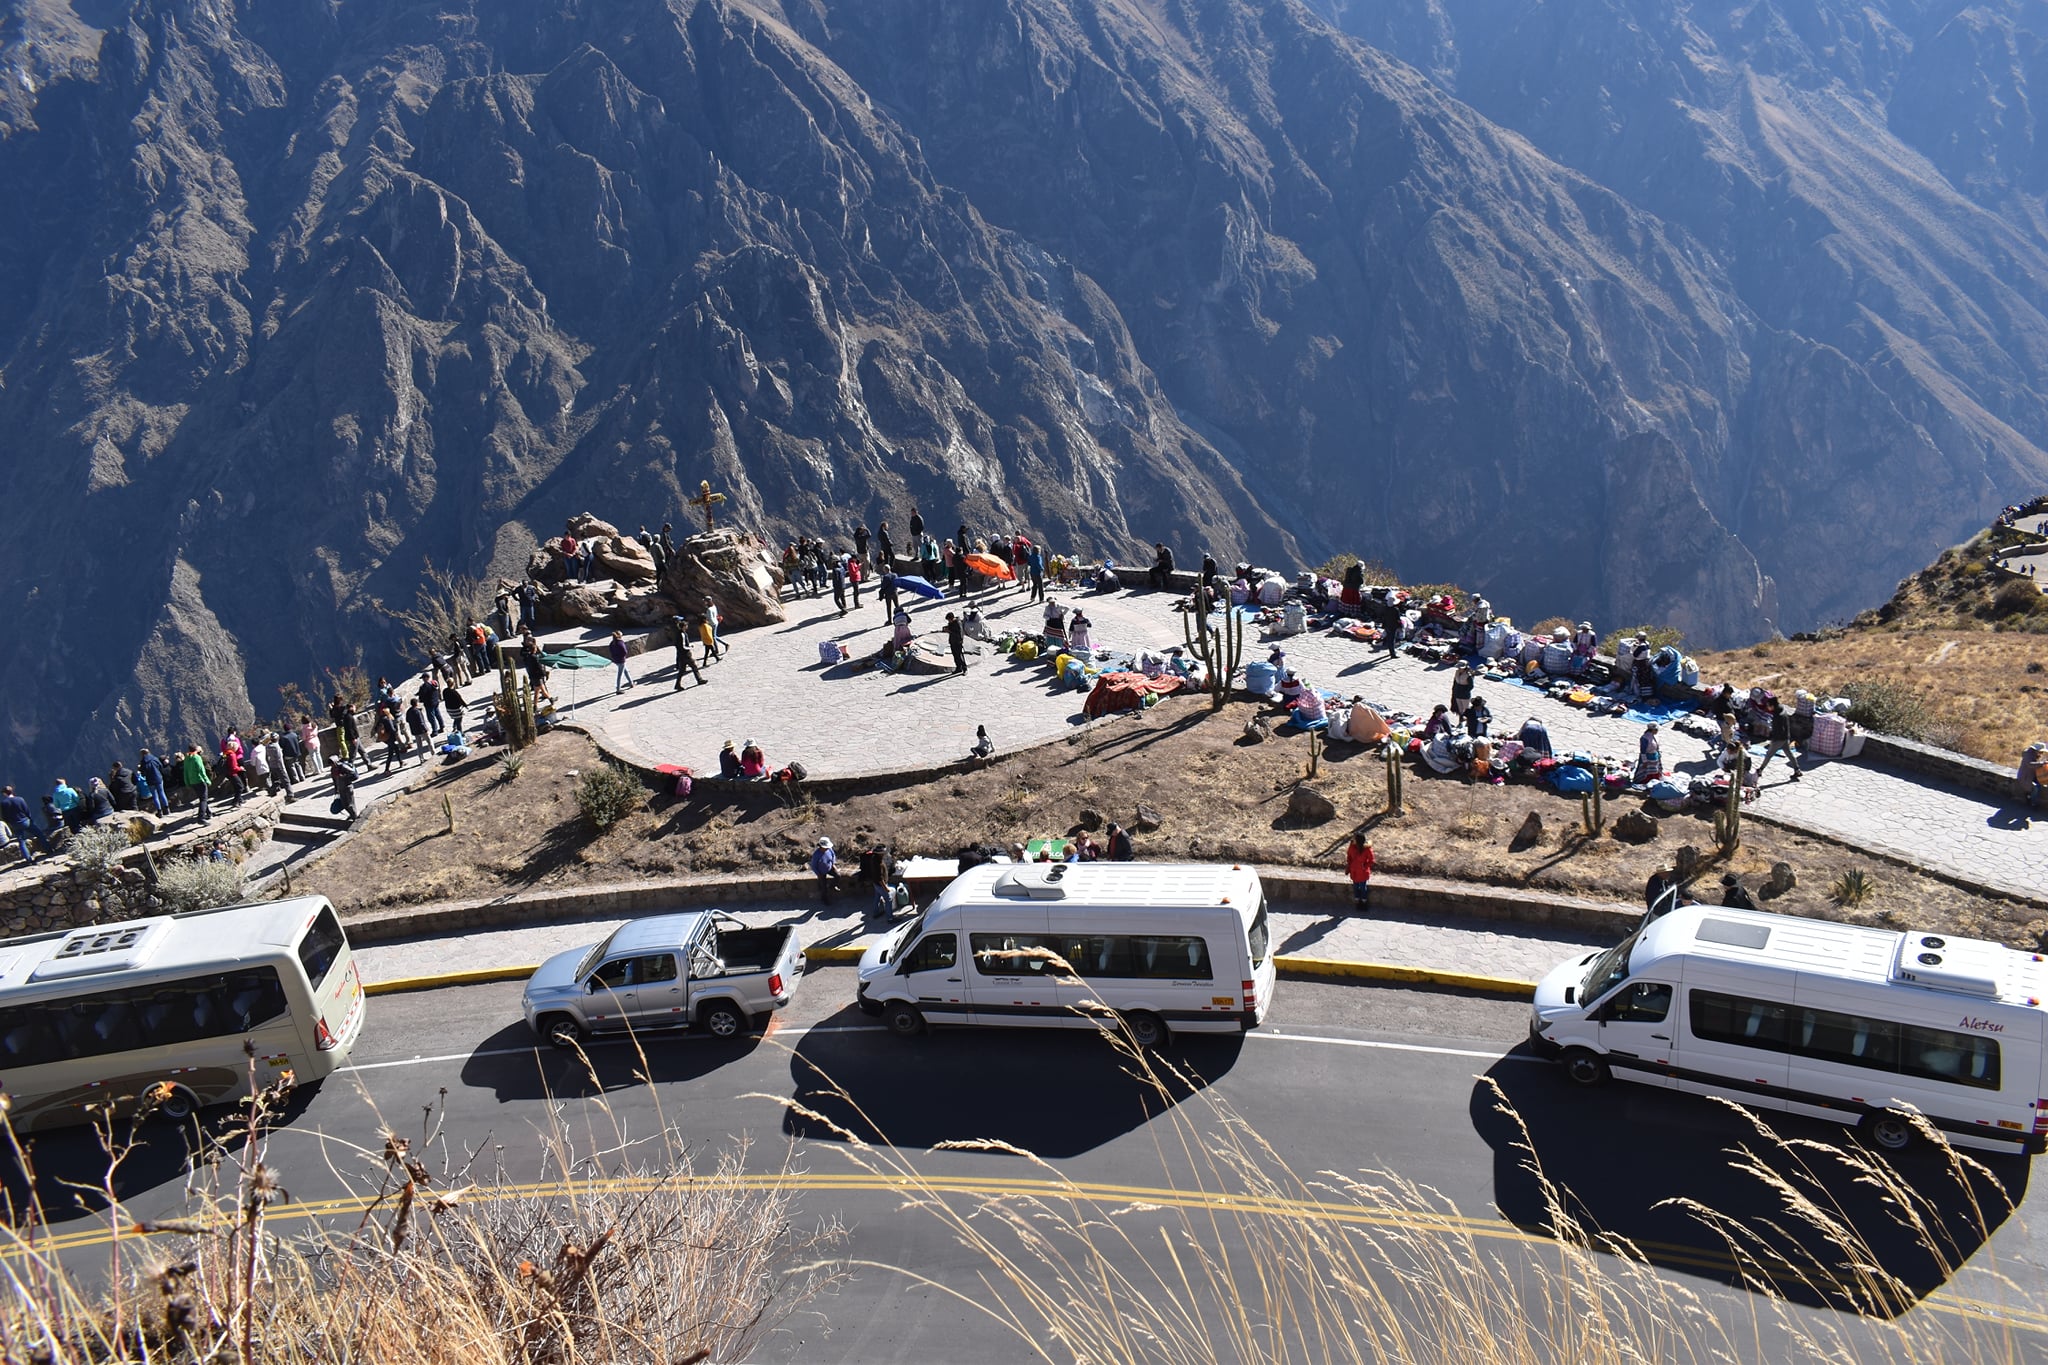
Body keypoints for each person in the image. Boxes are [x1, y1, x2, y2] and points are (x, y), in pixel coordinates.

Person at [1757, 699, 1802, 781]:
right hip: (1786, 737)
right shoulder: (1783, 710)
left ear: (1772, 706)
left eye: (1768, 706)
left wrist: (1773, 739)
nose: (1768, 707)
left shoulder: (1778, 716)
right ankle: (1797, 769)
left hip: (1778, 739)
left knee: (1769, 754)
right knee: (1789, 753)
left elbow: (1778, 730)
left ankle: (1760, 770)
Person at [0, 785, 45, 863]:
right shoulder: (20, 799)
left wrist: (10, 824)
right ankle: (49, 849)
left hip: (15, 824)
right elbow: (26, 810)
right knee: (39, 834)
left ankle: (28, 859)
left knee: (21, 842)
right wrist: (30, 819)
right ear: (12, 791)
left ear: (4, 793)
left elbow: (4, 817)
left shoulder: (4, 803)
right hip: (25, 821)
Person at [179, 746, 213, 823]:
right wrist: (207, 780)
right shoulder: (197, 757)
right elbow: (201, 770)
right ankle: (201, 817)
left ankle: (208, 813)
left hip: (192, 782)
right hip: (200, 780)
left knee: (202, 798)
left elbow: (185, 771)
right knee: (204, 799)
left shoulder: (187, 758)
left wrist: (187, 782)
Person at [671, 617, 705, 689]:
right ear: (683, 627)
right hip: (686, 655)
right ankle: (699, 680)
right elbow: (683, 646)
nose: (687, 627)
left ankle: (677, 685)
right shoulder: (682, 634)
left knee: (682, 671)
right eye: (686, 626)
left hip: (681, 655)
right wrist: (690, 647)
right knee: (694, 667)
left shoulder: (679, 633)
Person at [1345, 833, 1376, 911]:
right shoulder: (1352, 846)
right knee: (1355, 887)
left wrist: (1364, 866)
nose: (1353, 839)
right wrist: (1349, 865)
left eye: (1355, 838)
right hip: (1354, 871)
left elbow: (1371, 860)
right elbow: (1349, 855)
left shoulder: (1367, 849)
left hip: (1362, 872)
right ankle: (1357, 902)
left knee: (1362, 887)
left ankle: (1364, 902)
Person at [328, 751, 360, 822]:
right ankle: (351, 815)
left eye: (332, 763)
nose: (331, 765)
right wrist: (336, 790)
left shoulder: (343, 766)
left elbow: (353, 773)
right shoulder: (333, 770)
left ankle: (355, 818)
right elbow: (335, 781)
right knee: (345, 804)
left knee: (350, 804)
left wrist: (344, 776)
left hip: (348, 787)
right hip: (341, 789)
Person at [138, 748, 170, 817]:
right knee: (162, 793)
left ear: (142, 754)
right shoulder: (154, 758)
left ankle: (159, 811)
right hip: (158, 778)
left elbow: (143, 774)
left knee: (155, 796)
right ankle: (167, 809)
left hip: (150, 781)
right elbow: (160, 766)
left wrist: (140, 769)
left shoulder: (143, 762)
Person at [374, 706, 404, 775]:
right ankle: (386, 769)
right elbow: (392, 729)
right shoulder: (387, 719)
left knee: (396, 749)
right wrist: (396, 731)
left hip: (385, 738)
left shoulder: (380, 719)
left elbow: (376, 728)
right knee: (390, 754)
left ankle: (401, 762)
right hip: (390, 737)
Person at [810, 837, 839, 904]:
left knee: (838, 876)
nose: (827, 848)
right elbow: (813, 866)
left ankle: (832, 887)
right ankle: (825, 899)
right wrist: (818, 874)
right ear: (821, 846)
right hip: (821, 872)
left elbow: (833, 856)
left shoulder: (829, 850)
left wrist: (833, 864)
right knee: (823, 887)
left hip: (830, 867)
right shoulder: (816, 855)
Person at [2021, 743, 2048, 808]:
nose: (2041, 753)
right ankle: (2031, 802)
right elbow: (2030, 764)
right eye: (2041, 752)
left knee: (2037, 786)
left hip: (2031, 775)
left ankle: (2030, 800)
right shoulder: (2028, 755)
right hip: (2025, 776)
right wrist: (2042, 763)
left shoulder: (2034, 755)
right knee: (2035, 788)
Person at [946, 611, 967, 675]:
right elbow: (950, 629)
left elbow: (959, 634)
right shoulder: (950, 623)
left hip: (957, 642)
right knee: (955, 656)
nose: (948, 621)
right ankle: (958, 668)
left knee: (960, 655)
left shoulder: (958, 623)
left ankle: (964, 669)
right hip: (952, 642)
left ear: (952, 618)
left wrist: (950, 631)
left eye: (949, 620)